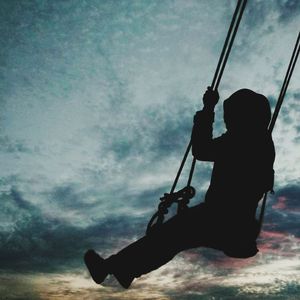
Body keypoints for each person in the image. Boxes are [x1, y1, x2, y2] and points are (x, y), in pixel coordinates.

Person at [84, 88, 275, 288]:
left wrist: (208, 108)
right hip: (236, 224)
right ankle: (124, 268)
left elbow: (201, 149)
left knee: (169, 237)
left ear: (243, 116)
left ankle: (120, 268)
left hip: (224, 219)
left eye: (230, 117)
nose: (227, 122)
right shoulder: (260, 140)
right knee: (171, 238)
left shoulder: (243, 139)